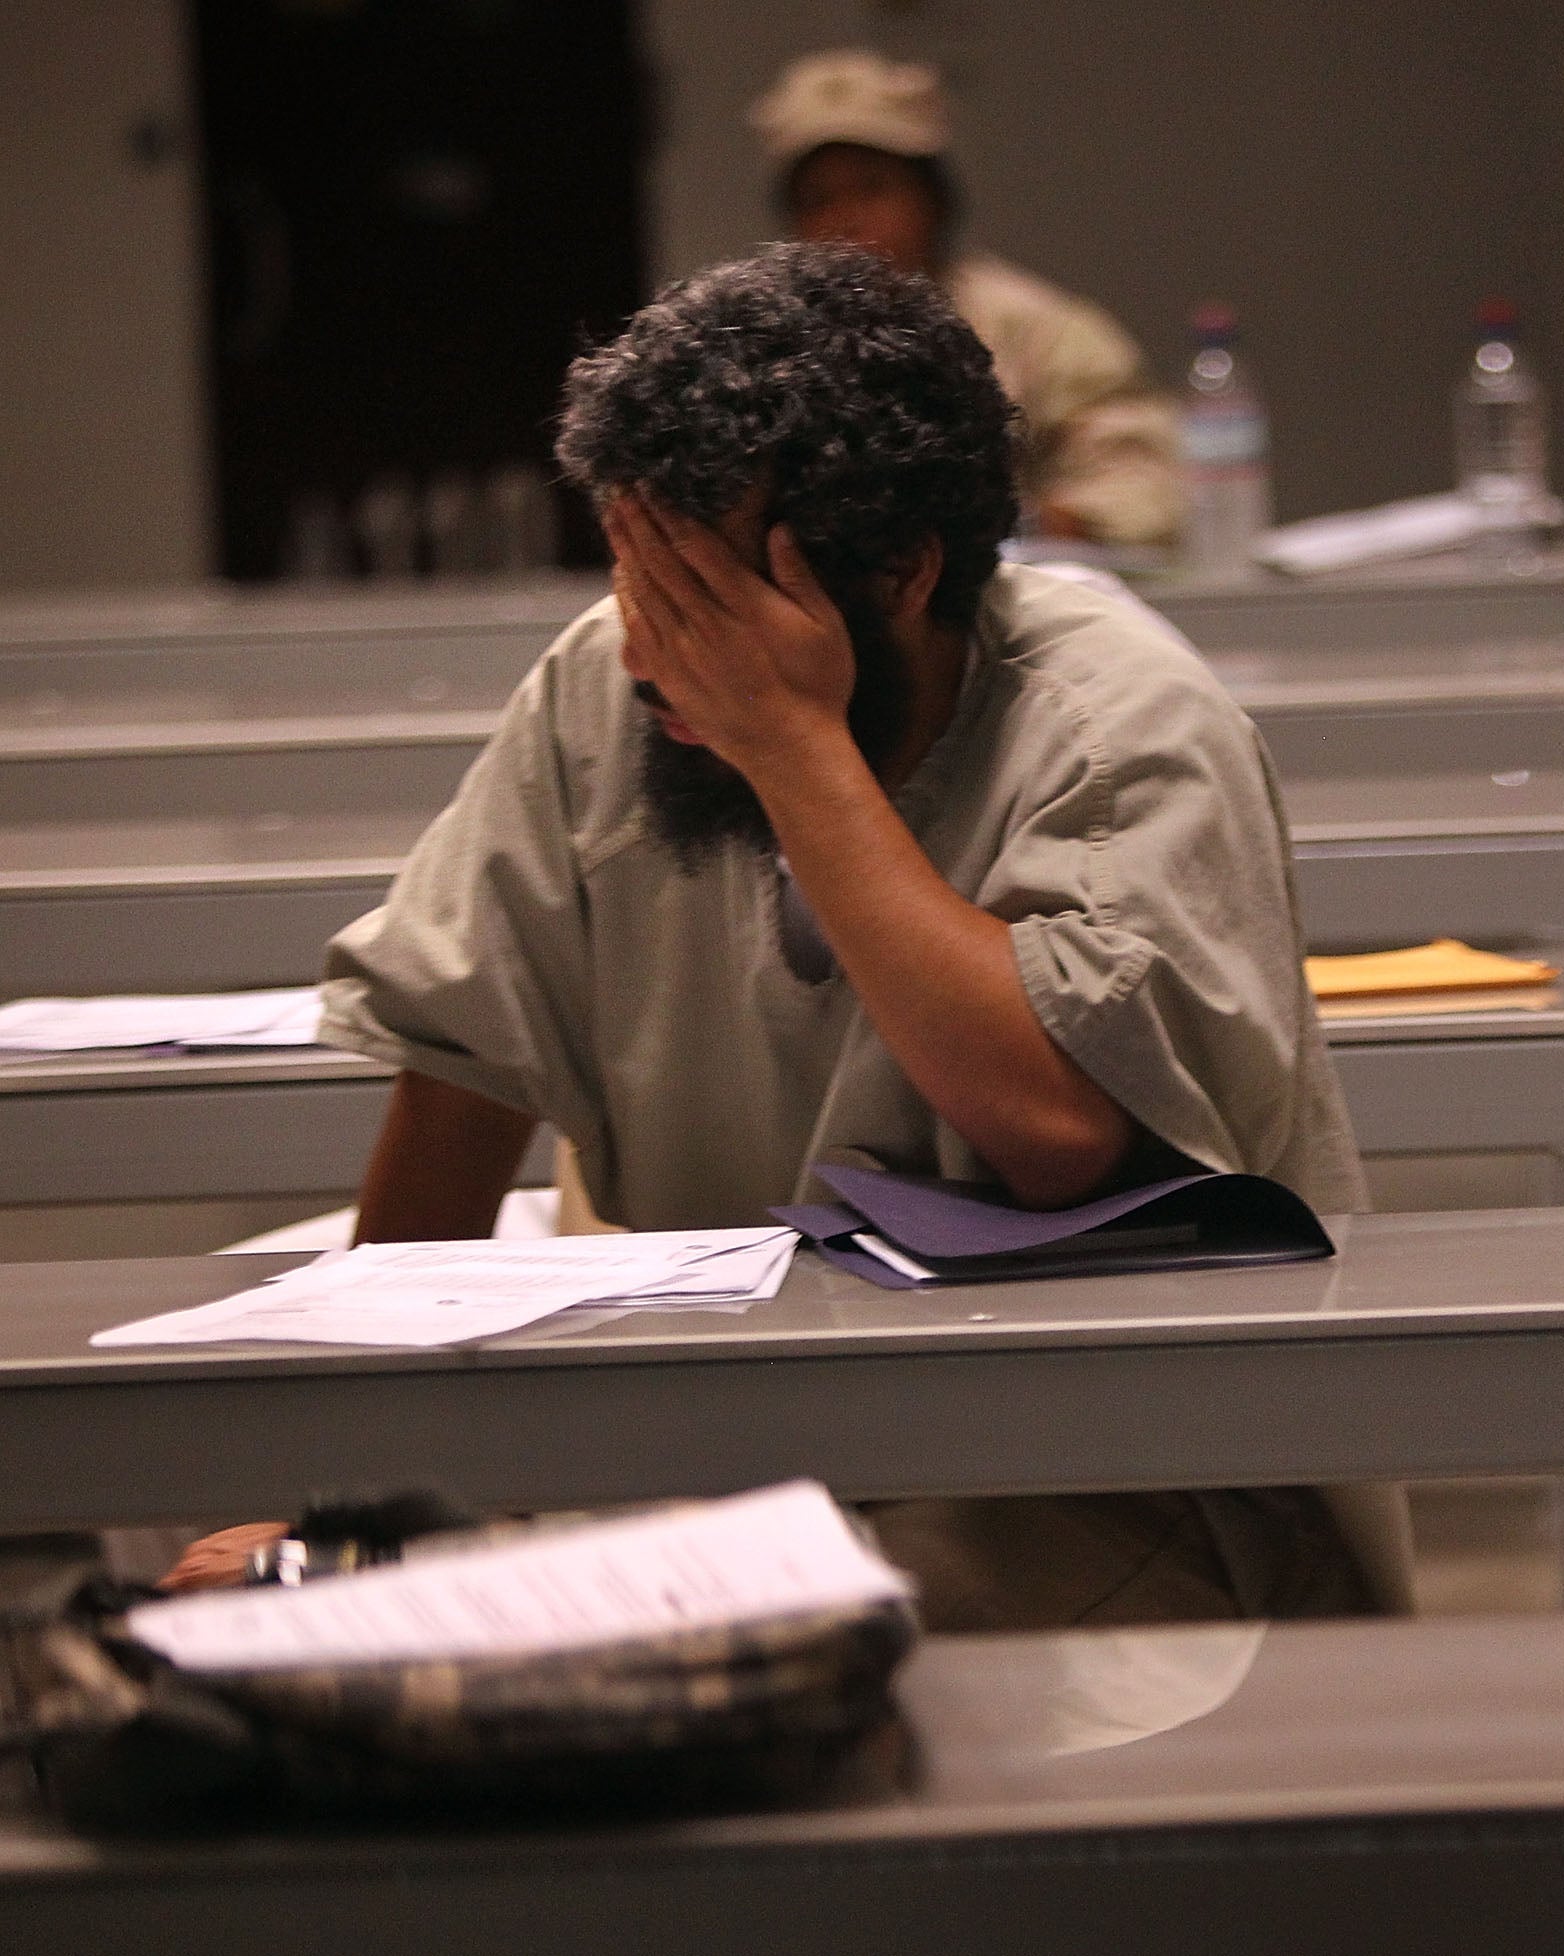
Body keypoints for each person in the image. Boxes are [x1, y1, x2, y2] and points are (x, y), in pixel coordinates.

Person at [167, 243, 1380, 1625]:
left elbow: (1060, 1134)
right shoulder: (604, 685)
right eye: (636, 574)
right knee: (230, 1476)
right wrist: (342, 1508)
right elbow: (462, 1068)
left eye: (710, 596)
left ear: (903, 573)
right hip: (740, 1421)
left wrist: (792, 744)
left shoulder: (1121, 727)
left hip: (1100, 1459)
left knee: (724, 1638)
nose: (648, 651)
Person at [751, 46, 1182, 550]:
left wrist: (1029, 524)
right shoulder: (760, 344)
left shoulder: (1038, 328)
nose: (846, 219)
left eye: (872, 188)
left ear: (932, 199)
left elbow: (1148, 479)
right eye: (818, 200)